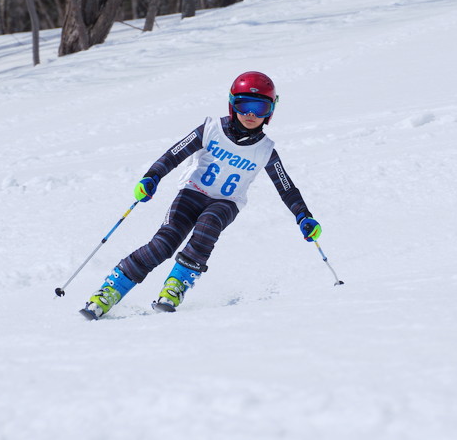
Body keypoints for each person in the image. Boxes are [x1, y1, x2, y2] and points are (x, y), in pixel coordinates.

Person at [80, 71, 322, 319]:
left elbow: (287, 188)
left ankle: (175, 285)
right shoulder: (211, 128)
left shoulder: (265, 150)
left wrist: (304, 217)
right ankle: (109, 291)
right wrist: (152, 177)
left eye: (259, 107)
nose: (251, 114)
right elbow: (174, 154)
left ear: (270, 111)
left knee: (209, 224)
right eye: (244, 105)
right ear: (232, 105)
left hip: (226, 202)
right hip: (192, 193)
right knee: (164, 244)